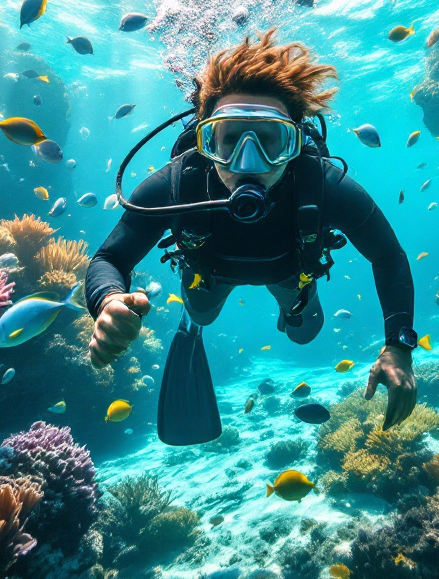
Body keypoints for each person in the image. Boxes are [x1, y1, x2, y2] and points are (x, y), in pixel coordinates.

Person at [84, 29, 419, 441]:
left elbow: (388, 255)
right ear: (207, 141)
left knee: (304, 333)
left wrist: (399, 346)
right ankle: (194, 323)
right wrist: (108, 299)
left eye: (269, 140)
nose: (248, 162)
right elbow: (109, 260)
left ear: (294, 142)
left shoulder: (322, 183)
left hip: (292, 275)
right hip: (206, 274)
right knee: (202, 312)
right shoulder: (178, 183)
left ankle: (278, 311)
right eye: (228, 141)